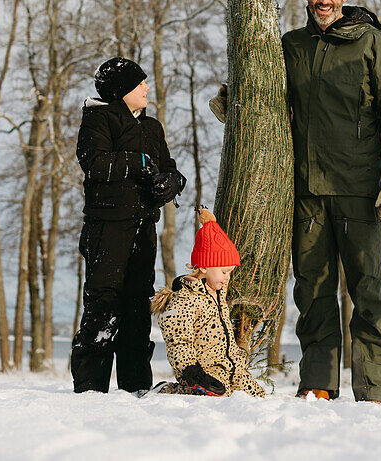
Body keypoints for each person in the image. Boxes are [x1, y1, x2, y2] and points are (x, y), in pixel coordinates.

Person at [282, 0, 381, 405]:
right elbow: (270, 97)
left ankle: (372, 390)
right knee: (313, 292)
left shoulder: (374, 44)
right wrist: (237, 96)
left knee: (367, 291)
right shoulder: (291, 46)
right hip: (307, 193)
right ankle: (319, 383)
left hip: (359, 188)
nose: (323, 0)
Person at [70, 56, 186, 394]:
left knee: (138, 305)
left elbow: (169, 166)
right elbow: (94, 164)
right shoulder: (97, 120)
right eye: (140, 84)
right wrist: (139, 162)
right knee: (103, 304)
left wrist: (172, 182)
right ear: (122, 91)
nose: (147, 88)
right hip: (107, 228)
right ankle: (90, 387)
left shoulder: (152, 127)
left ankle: (136, 386)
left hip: (143, 226)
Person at [149, 207, 266, 398]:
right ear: (203, 266)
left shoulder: (217, 293)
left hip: (234, 371)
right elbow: (178, 340)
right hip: (204, 373)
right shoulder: (185, 299)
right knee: (220, 396)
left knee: (258, 397)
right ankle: (170, 390)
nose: (228, 278)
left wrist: (210, 223)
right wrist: (191, 371)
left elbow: (214, 241)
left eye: (230, 272)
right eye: (224, 272)